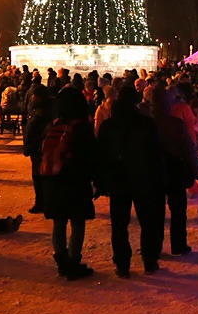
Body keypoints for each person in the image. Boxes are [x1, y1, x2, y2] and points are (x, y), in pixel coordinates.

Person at [95, 85, 166, 278]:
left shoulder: (108, 126)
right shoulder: (146, 124)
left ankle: (122, 264)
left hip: (118, 180)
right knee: (147, 222)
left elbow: (100, 155)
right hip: (143, 178)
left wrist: (101, 180)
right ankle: (149, 262)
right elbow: (157, 152)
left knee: (119, 224)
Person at [41, 87, 97, 280]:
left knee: (59, 221)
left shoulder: (53, 124)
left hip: (54, 178)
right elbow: (90, 155)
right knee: (77, 221)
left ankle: (61, 259)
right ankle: (74, 260)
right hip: (76, 179)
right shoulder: (82, 127)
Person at [150, 87, 198, 256]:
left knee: (155, 210)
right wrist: (194, 170)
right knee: (178, 210)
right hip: (175, 168)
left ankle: (154, 247)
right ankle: (178, 244)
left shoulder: (147, 123)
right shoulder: (175, 123)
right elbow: (187, 148)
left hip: (154, 169)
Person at [22, 85, 54, 214]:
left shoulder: (41, 112)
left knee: (39, 176)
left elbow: (33, 131)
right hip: (39, 147)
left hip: (38, 148)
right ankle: (44, 201)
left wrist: (29, 147)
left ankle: (42, 202)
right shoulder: (43, 109)